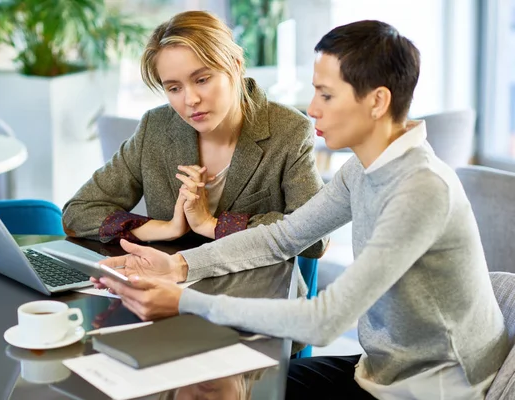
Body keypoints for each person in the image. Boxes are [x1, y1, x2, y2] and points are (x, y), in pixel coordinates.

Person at [93, 20, 509, 400]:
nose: (312, 109)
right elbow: (285, 235)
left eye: (326, 94)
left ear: (378, 101)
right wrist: (179, 266)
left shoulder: (421, 191)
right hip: (380, 373)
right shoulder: (364, 170)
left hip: (434, 391)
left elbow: (323, 322)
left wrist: (183, 302)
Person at [61, 10, 327, 260]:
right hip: (169, 288)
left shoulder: (289, 130)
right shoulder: (155, 128)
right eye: (174, 88)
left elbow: (316, 236)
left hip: (252, 296)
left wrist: (211, 225)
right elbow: (78, 212)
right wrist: (165, 228)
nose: (190, 99)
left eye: (202, 80)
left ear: (235, 66)